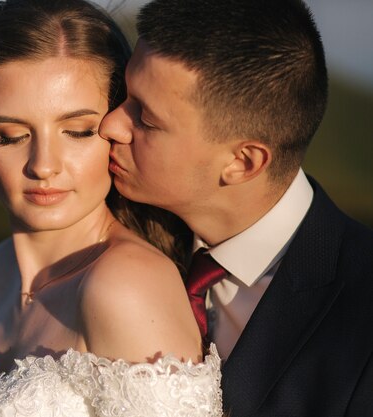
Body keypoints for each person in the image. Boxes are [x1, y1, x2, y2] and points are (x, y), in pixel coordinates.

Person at [98, 0, 373, 415]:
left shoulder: (362, 321)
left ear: (242, 162)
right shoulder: (111, 223)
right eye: (125, 95)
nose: (111, 125)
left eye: (147, 120)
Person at [0, 0, 222, 415]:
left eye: (78, 131)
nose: (44, 165)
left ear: (117, 130)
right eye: (11, 135)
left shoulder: (124, 286)